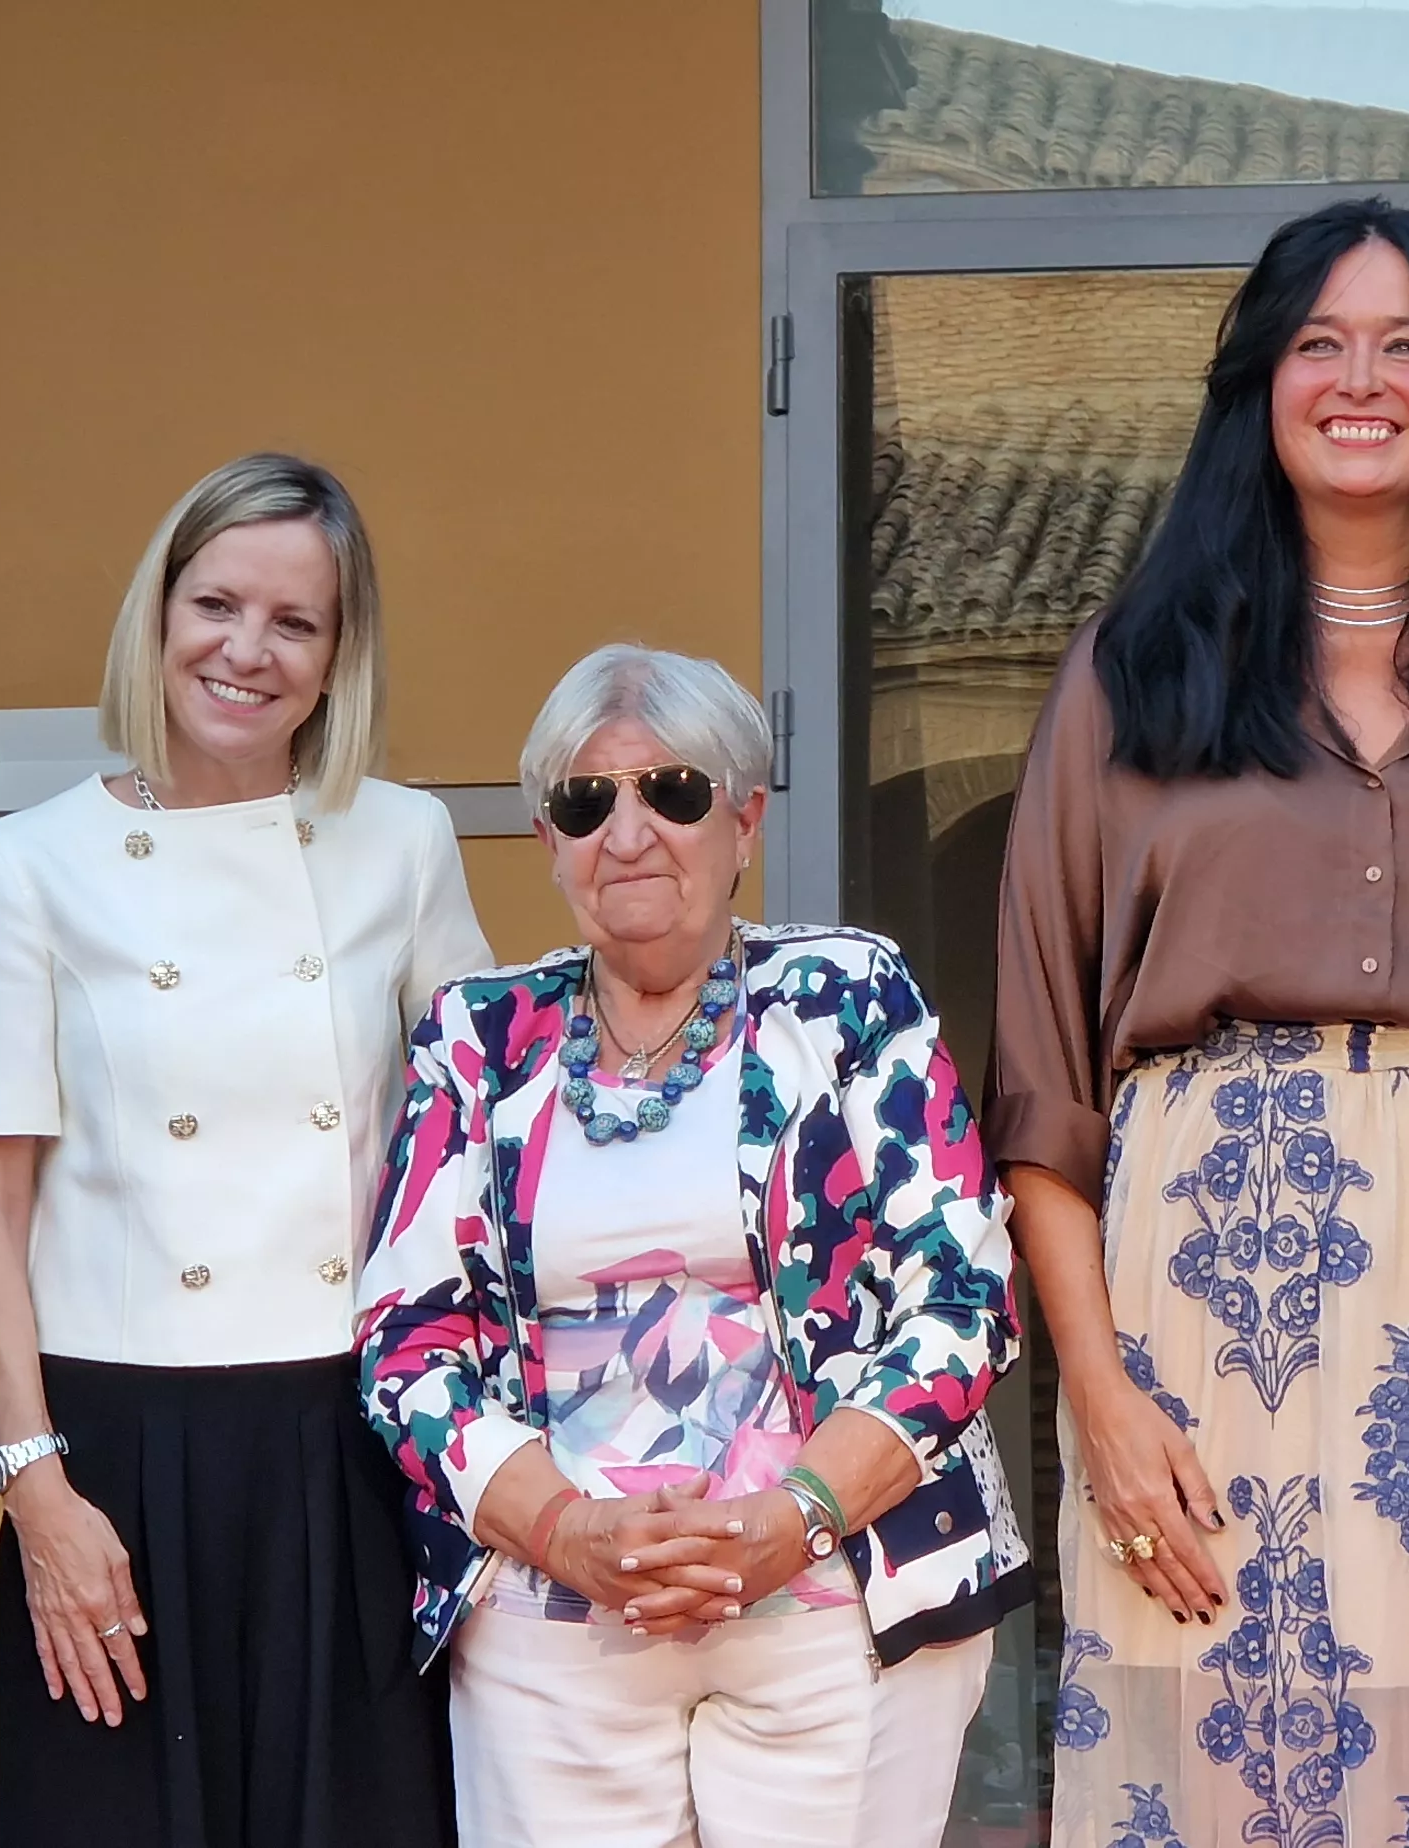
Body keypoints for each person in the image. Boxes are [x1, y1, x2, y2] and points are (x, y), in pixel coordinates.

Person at [993, 195, 1409, 1848]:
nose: (1361, 378)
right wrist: (1099, 1393)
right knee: (1227, 1743)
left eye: (1407, 344)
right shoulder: (1131, 675)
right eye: (1319, 342)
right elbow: (1041, 1095)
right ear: (1258, 384)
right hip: (1208, 1328)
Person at [361, 644, 1022, 1848]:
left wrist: (795, 1517)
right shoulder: (477, 1035)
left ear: (744, 819)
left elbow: (963, 1294)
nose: (628, 832)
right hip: (551, 1626)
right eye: (583, 801)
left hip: (834, 1600)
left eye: (671, 792)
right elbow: (408, 1346)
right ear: (546, 839)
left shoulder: (844, 998)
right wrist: (569, 1534)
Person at [0, 453, 481, 1844]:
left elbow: (485, 1140)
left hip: (351, 1441)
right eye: (216, 604)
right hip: (112, 1450)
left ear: (338, 655)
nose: (247, 652)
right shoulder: (21, 866)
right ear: (158, 614)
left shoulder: (406, 842)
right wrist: (36, 1489)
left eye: (295, 623)